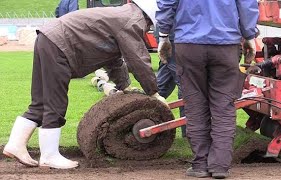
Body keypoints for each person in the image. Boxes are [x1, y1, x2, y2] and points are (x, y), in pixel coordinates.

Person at [3, 0, 165, 169]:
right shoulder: (132, 21)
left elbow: (113, 59)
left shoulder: (122, 15)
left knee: (41, 101)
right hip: (59, 45)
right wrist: (153, 92)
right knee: (55, 103)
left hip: (48, 39)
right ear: (150, 18)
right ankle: (49, 155)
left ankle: (16, 144)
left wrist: (124, 86)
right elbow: (138, 59)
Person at [156, 0, 259, 179]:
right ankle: (220, 166)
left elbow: (166, 4)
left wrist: (163, 36)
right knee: (224, 106)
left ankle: (200, 165)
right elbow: (247, 5)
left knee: (195, 105)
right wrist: (249, 36)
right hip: (226, 45)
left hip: (188, 44)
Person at [154, 25, 186, 137]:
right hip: (176, 36)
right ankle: (189, 134)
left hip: (169, 34)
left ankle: (138, 115)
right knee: (186, 84)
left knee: (163, 84)